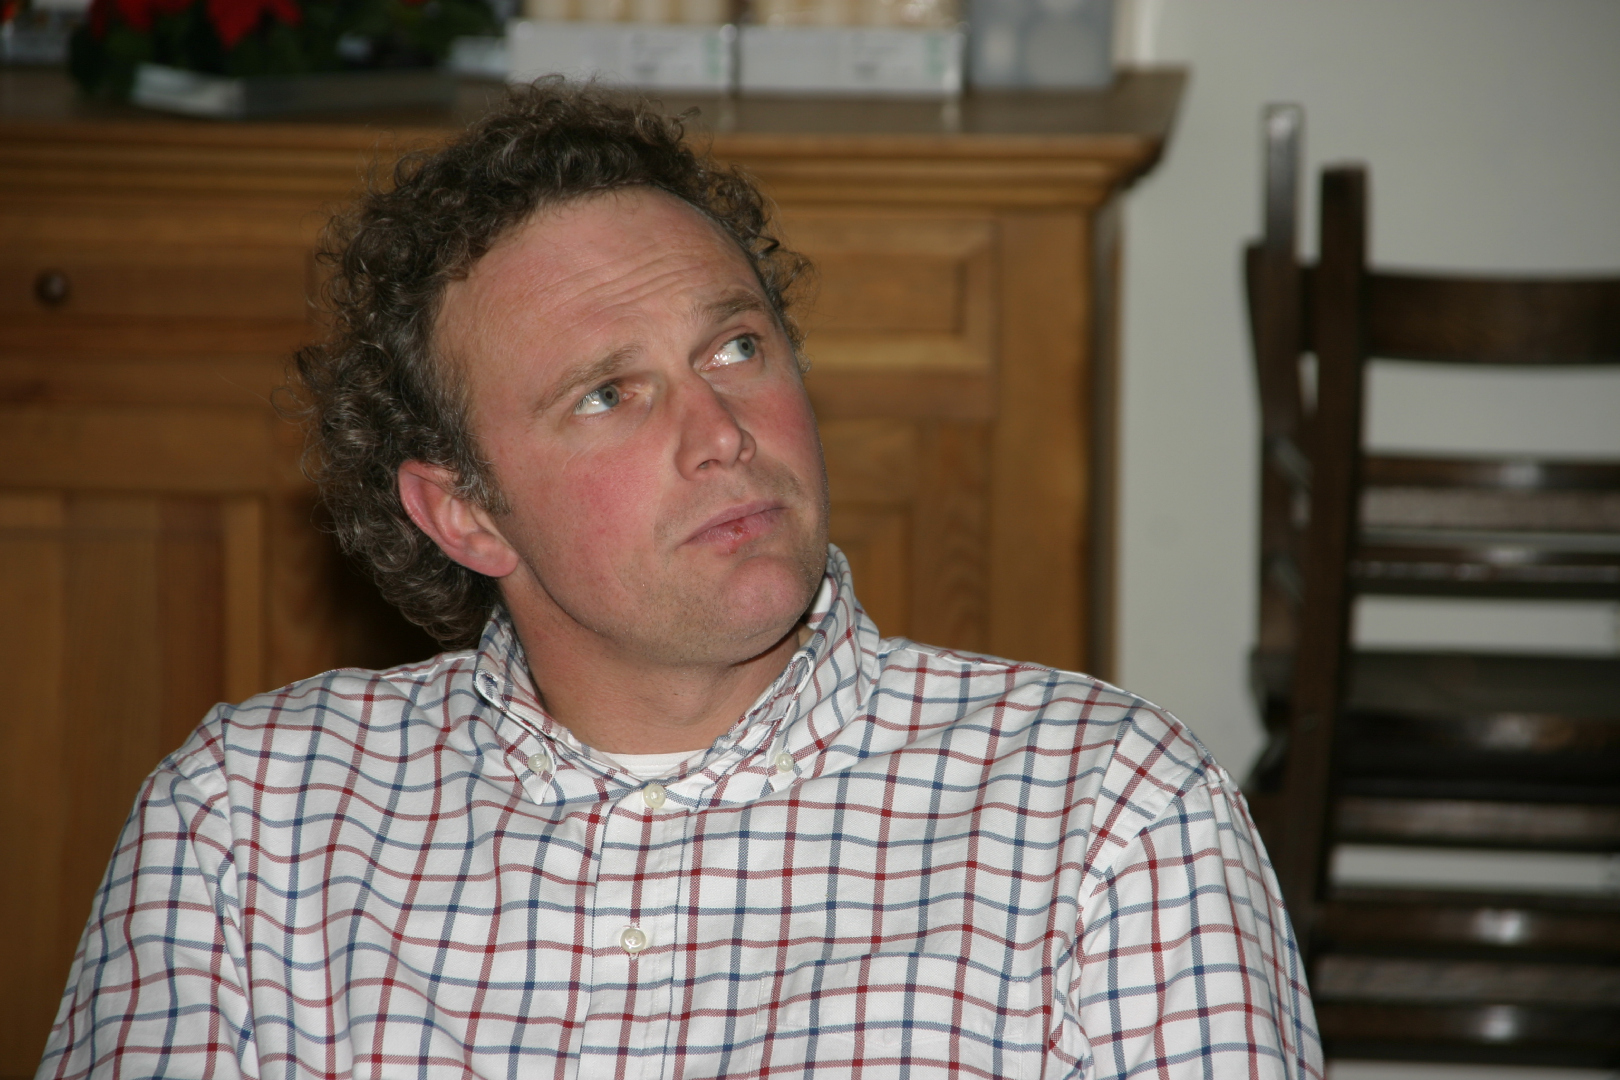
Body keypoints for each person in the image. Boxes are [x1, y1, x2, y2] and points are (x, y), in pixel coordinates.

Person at [39, 82, 1322, 1079]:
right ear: (466, 514)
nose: (722, 431)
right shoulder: (248, 826)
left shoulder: (1106, 818)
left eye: (737, 347)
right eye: (611, 393)